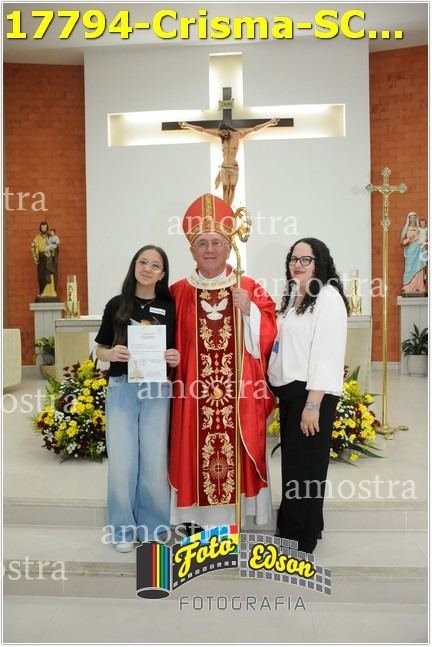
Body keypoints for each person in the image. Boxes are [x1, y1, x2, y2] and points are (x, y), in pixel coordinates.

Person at [169, 193, 277, 531]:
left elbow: (271, 333)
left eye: (217, 242)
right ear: (191, 251)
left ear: (229, 247)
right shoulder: (178, 292)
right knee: (194, 450)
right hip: (194, 397)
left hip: (239, 395)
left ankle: (235, 519)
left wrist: (250, 311)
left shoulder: (248, 287)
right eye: (202, 243)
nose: (210, 249)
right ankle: (195, 520)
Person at [95, 245, 180, 552]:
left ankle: (153, 527)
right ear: (134, 266)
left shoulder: (170, 307)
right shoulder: (117, 304)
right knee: (122, 462)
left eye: (155, 265)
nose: (147, 268)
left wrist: (175, 356)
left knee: (155, 462)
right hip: (123, 388)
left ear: (162, 273)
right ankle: (122, 530)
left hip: (157, 390)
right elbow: (100, 349)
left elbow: (178, 349)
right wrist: (111, 354)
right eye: (143, 262)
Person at [267, 238, 348, 554]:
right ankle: (303, 525)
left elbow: (325, 354)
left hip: (311, 396)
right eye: (293, 258)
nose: (297, 264)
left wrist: (313, 404)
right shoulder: (294, 295)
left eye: (305, 259)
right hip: (292, 395)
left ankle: (300, 540)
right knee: (296, 466)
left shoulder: (327, 297)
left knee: (306, 468)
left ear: (319, 262)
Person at [179, 119, 279, 206]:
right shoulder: (220, 135)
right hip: (224, 166)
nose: (223, 135)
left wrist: (270, 122)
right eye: (221, 133)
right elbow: (203, 130)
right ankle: (225, 207)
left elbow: (254, 129)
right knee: (225, 188)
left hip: (234, 167)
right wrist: (187, 125)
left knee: (232, 188)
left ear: (228, 129)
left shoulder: (237, 135)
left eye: (224, 132)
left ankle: (229, 208)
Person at [400, 212, 427, 294]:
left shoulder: (419, 229)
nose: (413, 220)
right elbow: (402, 242)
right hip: (410, 251)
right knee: (409, 268)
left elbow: (424, 238)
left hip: (418, 250)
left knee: (419, 267)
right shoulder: (406, 229)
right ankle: (408, 287)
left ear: (416, 219)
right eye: (411, 218)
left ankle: (419, 286)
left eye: (414, 218)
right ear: (408, 219)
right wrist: (409, 239)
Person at [31, 221, 59, 299]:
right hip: (41, 258)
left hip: (49, 259)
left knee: (50, 275)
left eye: (45, 227)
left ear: (47, 228)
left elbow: (55, 246)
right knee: (41, 276)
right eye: (42, 227)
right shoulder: (37, 238)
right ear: (40, 228)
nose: (44, 229)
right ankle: (42, 292)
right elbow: (33, 247)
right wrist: (36, 257)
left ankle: (52, 292)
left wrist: (52, 252)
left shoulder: (50, 237)